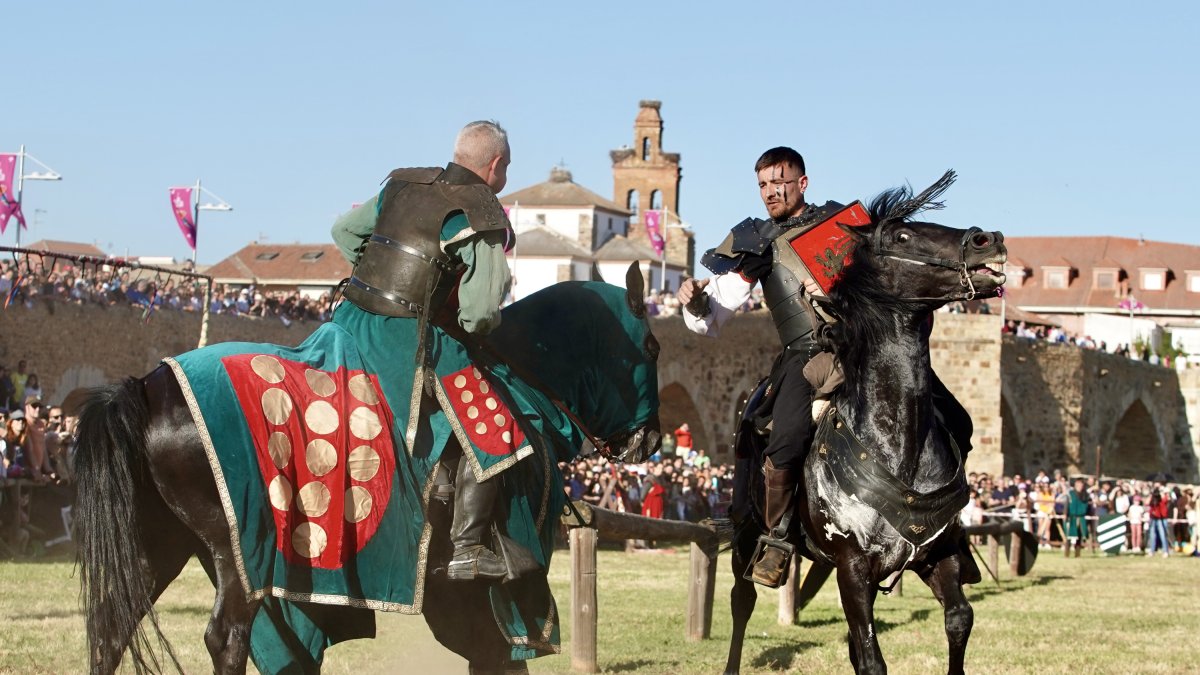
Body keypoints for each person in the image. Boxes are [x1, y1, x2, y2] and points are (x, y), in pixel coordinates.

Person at [677, 147, 973, 588]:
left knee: (953, 418)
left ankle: (947, 529)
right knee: (786, 436)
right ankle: (777, 538)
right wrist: (697, 302)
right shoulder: (756, 243)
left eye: (779, 181)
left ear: (803, 182)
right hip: (805, 356)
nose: (770, 192)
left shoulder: (845, 225)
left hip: (865, 347)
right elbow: (714, 316)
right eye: (762, 184)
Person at [330, 120, 514, 581]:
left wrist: (379, 272)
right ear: (495, 166)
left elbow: (344, 232)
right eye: (505, 167)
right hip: (409, 338)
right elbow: (480, 316)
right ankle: (468, 548)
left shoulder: (404, 183)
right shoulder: (483, 210)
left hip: (349, 321)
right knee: (494, 426)